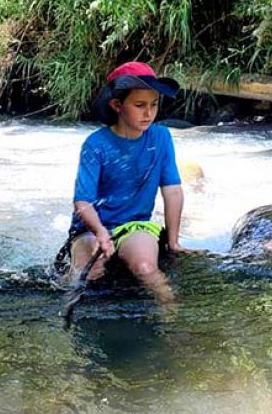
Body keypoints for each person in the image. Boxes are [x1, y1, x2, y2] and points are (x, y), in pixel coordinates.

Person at [57, 61, 195, 303]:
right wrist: (100, 232)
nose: (148, 113)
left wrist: (173, 241)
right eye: (139, 105)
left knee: (145, 267)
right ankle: (64, 318)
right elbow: (82, 202)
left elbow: (172, 191)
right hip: (91, 227)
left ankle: (171, 317)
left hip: (135, 224)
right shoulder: (95, 144)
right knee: (85, 272)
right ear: (117, 105)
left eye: (154, 104)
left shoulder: (161, 137)